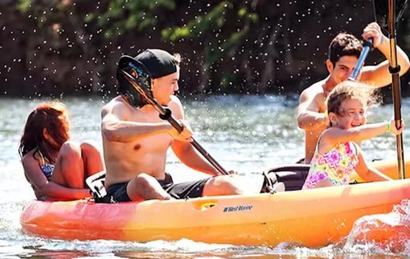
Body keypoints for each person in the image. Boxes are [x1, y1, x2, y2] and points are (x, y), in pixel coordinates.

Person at [100, 49, 248, 203]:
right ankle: (174, 210)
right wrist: (165, 127)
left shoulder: (174, 106)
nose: (176, 88)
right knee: (144, 181)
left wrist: (217, 172)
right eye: (172, 82)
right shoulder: (117, 108)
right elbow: (111, 131)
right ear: (151, 82)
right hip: (122, 192)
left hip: (164, 187)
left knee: (226, 184)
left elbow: (184, 150)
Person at [297, 22, 410, 163]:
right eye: (343, 68)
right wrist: (332, 118)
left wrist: (382, 41)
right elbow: (302, 120)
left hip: (351, 170)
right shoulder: (316, 93)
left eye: (354, 69)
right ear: (330, 66)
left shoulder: (362, 79)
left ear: (361, 66)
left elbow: (402, 65)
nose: (349, 75)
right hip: (317, 172)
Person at [302, 81, 403, 190]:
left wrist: (396, 186)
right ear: (333, 118)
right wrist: (388, 127)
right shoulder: (329, 136)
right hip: (313, 198)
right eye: (351, 112)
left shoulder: (354, 149)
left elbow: (367, 173)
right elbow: (357, 133)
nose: (358, 117)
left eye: (361, 112)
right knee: (326, 183)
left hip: (336, 199)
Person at [19, 102, 105, 201]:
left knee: (89, 146)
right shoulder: (31, 159)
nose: (67, 134)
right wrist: (87, 193)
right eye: (63, 131)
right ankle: (85, 199)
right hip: (53, 199)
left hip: (86, 193)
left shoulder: (64, 152)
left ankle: (101, 193)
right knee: (69, 148)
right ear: (46, 133)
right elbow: (45, 188)